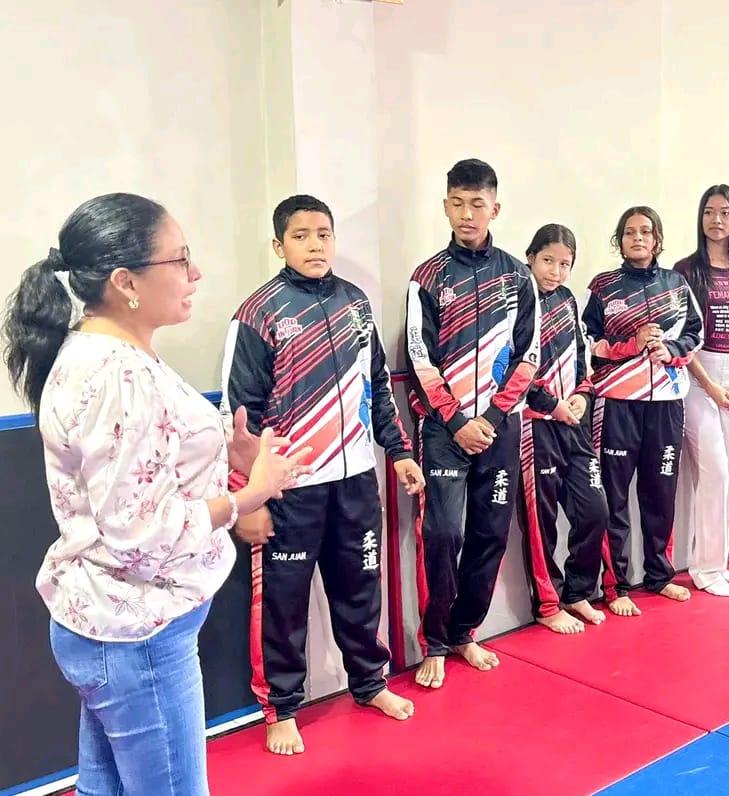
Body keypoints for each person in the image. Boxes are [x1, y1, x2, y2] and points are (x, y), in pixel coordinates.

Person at [0, 193, 309, 795]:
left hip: (111, 624)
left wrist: (224, 457)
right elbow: (140, 534)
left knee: (107, 788)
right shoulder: (120, 374)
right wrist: (247, 498)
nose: (195, 274)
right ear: (125, 282)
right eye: (180, 260)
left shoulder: (98, 354)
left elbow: (137, 473)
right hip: (136, 635)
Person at [221, 195, 425, 755]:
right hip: (290, 486)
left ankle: (370, 683)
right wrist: (248, 496)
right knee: (283, 601)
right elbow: (239, 415)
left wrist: (399, 451)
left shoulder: (355, 303)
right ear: (278, 245)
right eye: (301, 235)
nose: (315, 245)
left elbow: (376, 384)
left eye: (324, 234)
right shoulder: (258, 314)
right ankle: (281, 707)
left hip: (355, 477)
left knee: (360, 586)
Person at [405, 159, 540, 688]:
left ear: (494, 209)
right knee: (442, 534)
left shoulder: (517, 276)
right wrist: (458, 419)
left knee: (489, 534)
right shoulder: (426, 277)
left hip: (500, 427)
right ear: (445, 207)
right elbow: (419, 356)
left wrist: (493, 415)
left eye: (477, 204)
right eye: (457, 203)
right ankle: (435, 642)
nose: (467, 214)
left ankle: (465, 632)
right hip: (444, 431)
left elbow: (529, 353)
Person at [582, 206, 703, 616]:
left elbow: (696, 333)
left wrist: (671, 350)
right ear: (620, 240)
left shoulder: (677, 284)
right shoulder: (602, 287)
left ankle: (659, 575)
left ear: (657, 239)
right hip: (617, 404)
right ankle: (615, 585)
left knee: (661, 495)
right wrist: (628, 347)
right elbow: (586, 341)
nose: (637, 238)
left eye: (645, 232)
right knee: (613, 498)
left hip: (666, 404)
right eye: (629, 232)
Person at [518, 223, 607, 633]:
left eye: (564, 264)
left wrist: (583, 395)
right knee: (542, 522)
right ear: (531, 257)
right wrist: (550, 405)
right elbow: (512, 368)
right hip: (536, 425)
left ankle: (578, 591)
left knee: (594, 508)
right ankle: (548, 603)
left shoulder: (568, 299)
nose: (555, 271)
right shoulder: (517, 299)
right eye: (548, 261)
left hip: (574, 421)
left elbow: (579, 357)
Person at [673, 185, 729, 597]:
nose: (717, 220)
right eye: (709, 211)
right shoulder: (686, 270)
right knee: (715, 471)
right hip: (699, 377)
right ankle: (704, 568)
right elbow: (683, 337)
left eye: (725, 212)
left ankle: (718, 560)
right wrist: (709, 386)